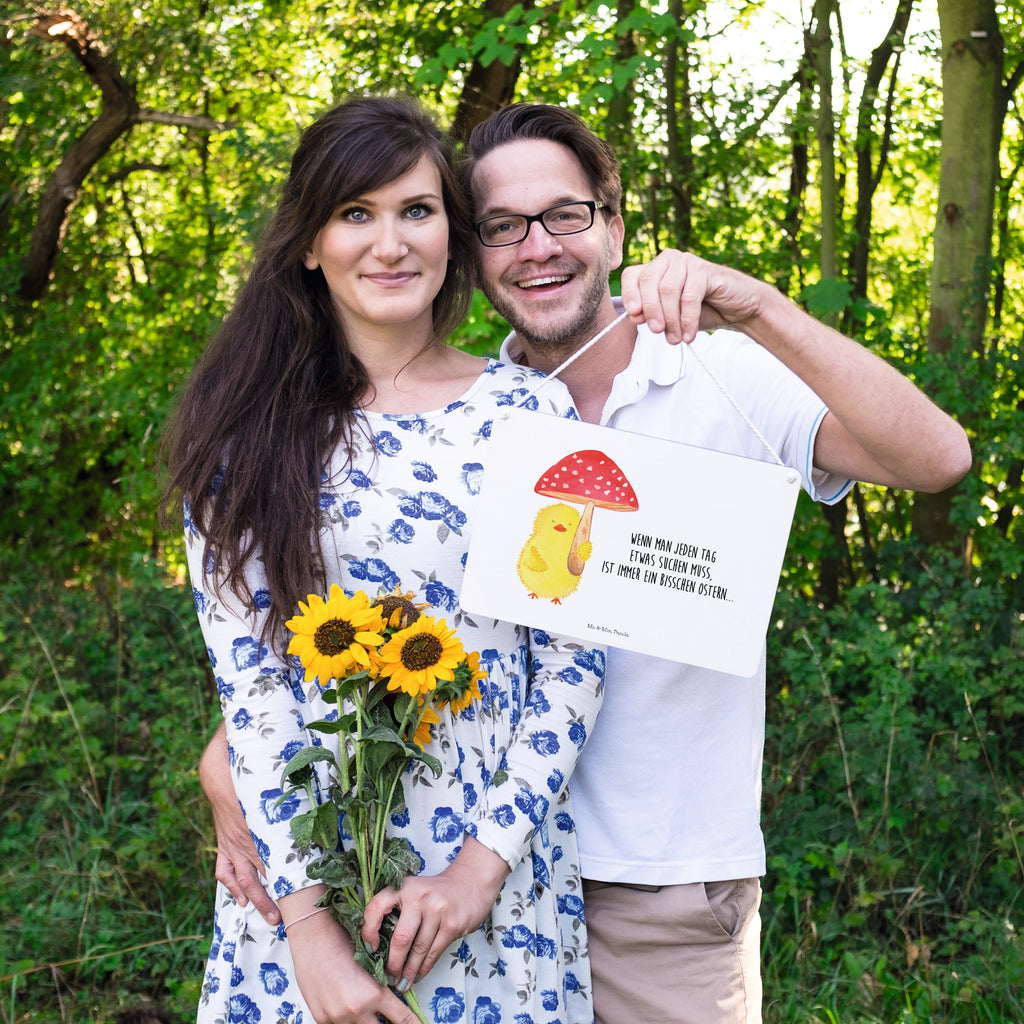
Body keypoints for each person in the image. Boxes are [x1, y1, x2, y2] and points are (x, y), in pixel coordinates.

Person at [202, 102, 972, 1024]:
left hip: (648, 887)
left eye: (565, 215)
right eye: (502, 226)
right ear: (474, 250)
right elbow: (327, 635)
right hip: (414, 874)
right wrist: (235, 772)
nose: (537, 247)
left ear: (612, 225)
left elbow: (937, 461)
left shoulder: (709, 374)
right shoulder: (454, 418)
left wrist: (759, 306)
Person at [163, 96, 608, 1024]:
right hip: (302, 885)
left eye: (417, 210)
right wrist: (311, 937)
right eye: (355, 214)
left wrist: (479, 873)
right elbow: (253, 691)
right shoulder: (244, 437)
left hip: (492, 886)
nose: (391, 243)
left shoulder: (533, 417)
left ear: (452, 230)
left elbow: (574, 660)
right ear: (309, 244)